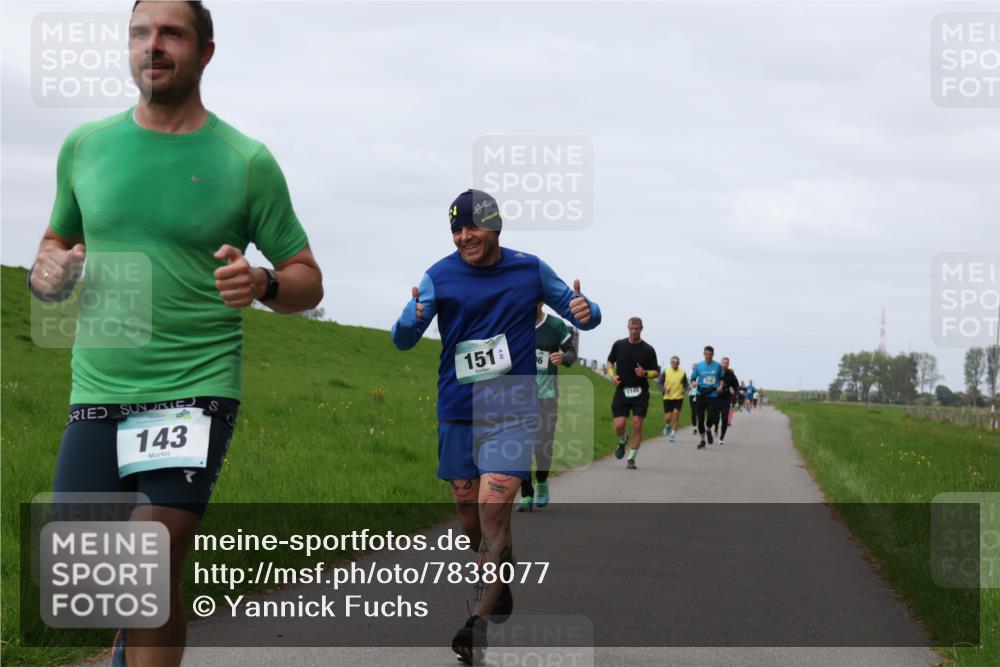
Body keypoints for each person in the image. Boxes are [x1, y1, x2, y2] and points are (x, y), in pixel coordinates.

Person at [32, 3, 324, 666]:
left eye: (171, 33)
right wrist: (50, 272)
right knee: (89, 556)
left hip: (195, 387)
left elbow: (308, 277)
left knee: (151, 550)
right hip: (99, 387)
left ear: (205, 52)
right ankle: (125, 643)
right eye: (141, 32)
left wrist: (264, 283)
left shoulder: (245, 160)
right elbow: (54, 245)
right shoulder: (86, 146)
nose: (153, 45)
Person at [391, 189, 600, 663]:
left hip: (511, 406)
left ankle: (477, 624)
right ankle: (499, 576)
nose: (464, 236)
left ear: (496, 226)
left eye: (473, 227)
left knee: (491, 506)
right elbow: (402, 339)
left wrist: (589, 310)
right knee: (468, 513)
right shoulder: (439, 275)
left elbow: (579, 310)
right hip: (458, 407)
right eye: (456, 229)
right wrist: (412, 317)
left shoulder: (529, 269)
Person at [518, 304, 577, 512]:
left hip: (547, 395)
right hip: (520, 397)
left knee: (543, 444)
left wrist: (563, 358)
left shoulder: (555, 325)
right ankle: (526, 493)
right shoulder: (515, 321)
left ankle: (541, 480)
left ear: (541, 301)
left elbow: (571, 352)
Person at [606, 318, 658, 469]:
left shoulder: (648, 350)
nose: (634, 331)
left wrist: (645, 373)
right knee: (619, 425)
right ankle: (623, 440)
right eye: (632, 328)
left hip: (640, 392)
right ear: (627, 328)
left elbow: (656, 372)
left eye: (637, 329)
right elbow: (610, 362)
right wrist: (612, 375)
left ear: (642, 329)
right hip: (622, 390)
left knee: (637, 424)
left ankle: (631, 458)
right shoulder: (619, 345)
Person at [690, 346, 724, 449]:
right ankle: (702, 440)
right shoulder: (699, 366)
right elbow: (692, 378)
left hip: (713, 394)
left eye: (710, 355)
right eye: (707, 354)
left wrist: (721, 386)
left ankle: (708, 429)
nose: (708, 356)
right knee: (700, 418)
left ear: (713, 355)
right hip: (701, 394)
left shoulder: (717, 366)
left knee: (711, 417)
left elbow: (721, 378)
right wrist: (694, 383)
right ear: (704, 354)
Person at [659, 356, 688, 443]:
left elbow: (686, 384)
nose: (675, 363)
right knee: (668, 417)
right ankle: (668, 425)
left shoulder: (682, 372)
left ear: (679, 363)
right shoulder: (666, 371)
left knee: (676, 414)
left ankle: (673, 434)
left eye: (676, 362)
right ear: (670, 363)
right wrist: (664, 389)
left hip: (678, 396)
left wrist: (684, 389)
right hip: (667, 397)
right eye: (673, 362)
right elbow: (659, 383)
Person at [718, 357, 740, 446]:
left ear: (728, 364)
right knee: (714, 417)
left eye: (726, 363)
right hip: (716, 397)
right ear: (721, 363)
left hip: (726, 398)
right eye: (723, 363)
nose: (725, 365)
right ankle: (715, 428)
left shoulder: (731, 374)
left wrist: (733, 389)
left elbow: (736, 385)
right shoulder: (717, 372)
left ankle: (721, 438)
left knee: (724, 418)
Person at [689, 364, 699, 435]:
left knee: (699, 411)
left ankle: (700, 425)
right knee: (693, 412)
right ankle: (694, 427)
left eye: (695, 368)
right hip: (691, 395)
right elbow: (687, 386)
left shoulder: (701, 376)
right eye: (693, 368)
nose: (694, 369)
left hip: (699, 395)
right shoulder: (689, 377)